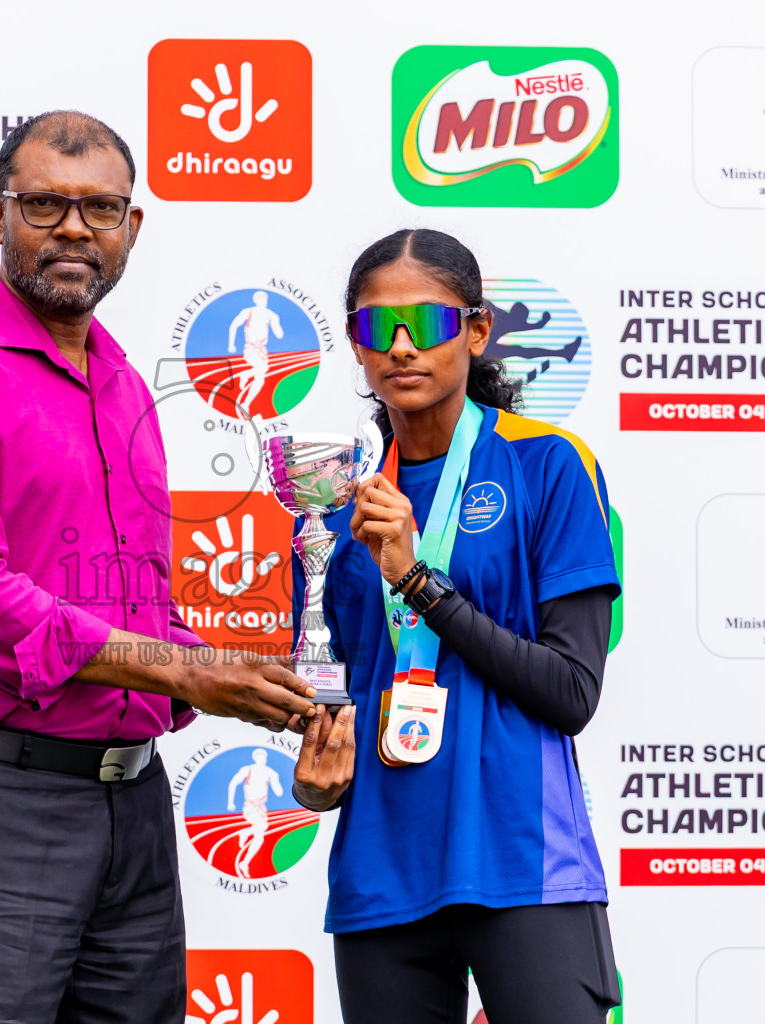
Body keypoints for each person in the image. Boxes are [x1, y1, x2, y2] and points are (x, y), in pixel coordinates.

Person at [0, 110, 317, 1024]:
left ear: (131, 228)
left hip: (133, 808)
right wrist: (184, 669)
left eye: (101, 207)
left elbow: (140, 606)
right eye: (45, 205)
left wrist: (268, 690)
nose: (75, 228)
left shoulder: (124, 383)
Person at [286, 228, 622, 1023]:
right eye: (377, 328)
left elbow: (572, 691)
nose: (403, 347)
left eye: (429, 325)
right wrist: (314, 763)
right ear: (357, 347)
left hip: (521, 861)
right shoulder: (331, 505)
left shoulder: (548, 464)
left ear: (474, 332)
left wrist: (414, 578)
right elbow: (328, 691)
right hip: (381, 866)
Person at [226, 747, 283, 879]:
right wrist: (230, 802)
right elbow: (233, 783)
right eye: (259, 756)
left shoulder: (270, 772)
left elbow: (279, 792)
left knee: (259, 838)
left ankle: (245, 863)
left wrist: (276, 779)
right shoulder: (247, 769)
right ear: (255, 757)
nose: (262, 759)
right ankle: (244, 832)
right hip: (250, 806)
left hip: (261, 808)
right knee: (262, 827)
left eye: (263, 757)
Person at [227, 289, 281, 415]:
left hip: (262, 350)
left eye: (264, 299)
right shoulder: (248, 312)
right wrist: (231, 344)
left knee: (260, 380)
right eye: (260, 299)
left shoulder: (271, 314)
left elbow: (279, 334)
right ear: (255, 300)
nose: (263, 301)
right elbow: (234, 325)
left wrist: (276, 323)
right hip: (251, 348)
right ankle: (245, 375)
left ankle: (246, 404)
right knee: (263, 368)